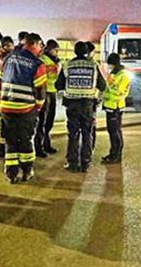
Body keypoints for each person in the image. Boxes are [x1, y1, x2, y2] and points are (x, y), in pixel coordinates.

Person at [0, 33, 47, 183]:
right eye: (40, 46)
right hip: (26, 108)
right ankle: (26, 170)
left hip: (6, 107)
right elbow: (40, 90)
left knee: (10, 140)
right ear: (35, 44)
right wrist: (38, 106)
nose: (40, 49)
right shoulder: (37, 63)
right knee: (25, 140)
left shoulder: (8, 58)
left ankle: (11, 173)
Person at [56, 41, 107, 172]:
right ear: (86, 52)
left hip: (72, 104)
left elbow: (58, 85)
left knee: (72, 134)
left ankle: (72, 163)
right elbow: (102, 86)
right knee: (87, 133)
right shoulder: (93, 65)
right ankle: (86, 162)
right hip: (87, 104)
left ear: (74, 51)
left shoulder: (68, 65)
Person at [102, 53, 131, 164]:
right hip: (110, 106)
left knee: (115, 132)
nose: (109, 66)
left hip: (116, 107)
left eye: (110, 64)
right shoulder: (114, 74)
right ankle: (112, 153)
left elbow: (119, 92)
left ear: (114, 64)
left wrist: (106, 93)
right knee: (112, 131)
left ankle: (116, 155)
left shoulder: (123, 76)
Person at [35, 39, 62, 157]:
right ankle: (38, 147)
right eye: (56, 50)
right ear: (50, 49)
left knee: (50, 120)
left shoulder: (57, 61)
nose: (57, 52)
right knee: (42, 121)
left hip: (53, 91)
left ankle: (47, 144)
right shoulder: (42, 59)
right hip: (44, 92)